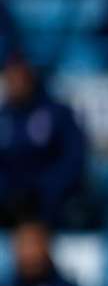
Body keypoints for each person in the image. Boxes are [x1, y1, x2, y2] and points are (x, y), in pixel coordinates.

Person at [0, 47, 89, 230]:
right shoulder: (3, 116)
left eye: (19, 76)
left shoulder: (59, 114)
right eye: (10, 77)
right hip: (9, 199)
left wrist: (42, 189)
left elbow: (74, 160)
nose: (14, 83)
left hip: (52, 200)